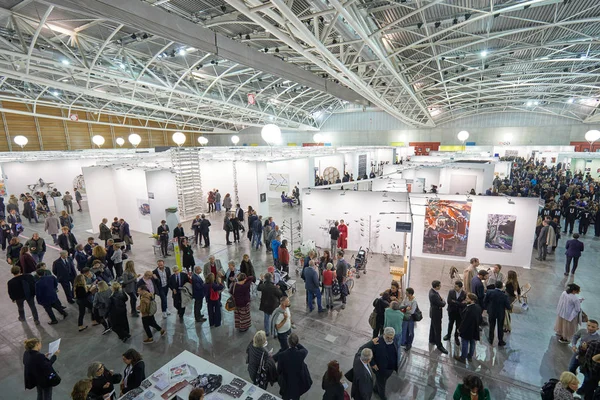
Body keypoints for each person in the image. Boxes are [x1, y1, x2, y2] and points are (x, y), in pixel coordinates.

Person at [273, 333, 312, 400]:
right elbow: (305, 350)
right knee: (296, 397)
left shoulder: (282, 355)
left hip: (286, 381)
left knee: (285, 396)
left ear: (288, 343)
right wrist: (297, 343)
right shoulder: (301, 354)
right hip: (297, 381)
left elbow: (279, 371)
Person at [368, 327, 398, 400]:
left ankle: (375, 388)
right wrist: (373, 363)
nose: (390, 339)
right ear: (384, 334)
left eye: (391, 338)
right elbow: (370, 353)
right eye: (388, 337)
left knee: (381, 381)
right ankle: (382, 396)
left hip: (389, 368)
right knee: (382, 384)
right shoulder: (377, 341)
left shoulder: (394, 340)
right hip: (380, 369)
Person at [454, 293, 483, 363]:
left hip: (467, 330)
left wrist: (459, 329)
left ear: (472, 300)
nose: (466, 299)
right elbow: (480, 319)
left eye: (468, 298)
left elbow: (465, 321)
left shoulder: (469, 309)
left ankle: (463, 358)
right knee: (472, 343)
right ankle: (470, 356)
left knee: (465, 343)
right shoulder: (478, 307)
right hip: (475, 329)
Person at [484, 281, 512, 346]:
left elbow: (485, 301)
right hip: (500, 313)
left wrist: (488, 308)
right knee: (500, 327)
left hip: (491, 312)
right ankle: (500, 341)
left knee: (491, 326)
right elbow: (508, 306)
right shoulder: (504, 296)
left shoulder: (489, 292)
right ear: (502, 286)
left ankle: (491, 339)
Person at [258, 272, 282, 337]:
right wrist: (278, 288)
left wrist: (261, 280)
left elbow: (258, 288)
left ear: (265, 278)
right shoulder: (274, 287)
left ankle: (267, 332)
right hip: (273, 305)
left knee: (266, 319)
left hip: (265, 305)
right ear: (271, 278)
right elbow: (280, 294)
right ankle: (275, 333)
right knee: (274, 319)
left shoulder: (263, 285)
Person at [429, 280, 448, 354]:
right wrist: (443, 301)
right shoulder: (433, 295)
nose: (440, 286)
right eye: (440, 285)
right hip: (436, 314)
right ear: (436, 286)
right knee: (438, 329)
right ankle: (439, 345)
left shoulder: (432, 291)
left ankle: (432, 339)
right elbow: (442, 304)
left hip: (433, 312)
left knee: (433, 327)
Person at [444, 281, 466, 346]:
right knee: (450, 323)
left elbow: (464, 305)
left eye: (456, 287)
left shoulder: (464, 294)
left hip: (459, 313)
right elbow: (449, 301)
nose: (454, 287)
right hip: (451, 311)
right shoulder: (451, 292)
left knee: (458, 325)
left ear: (460, 287)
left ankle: (456, 337)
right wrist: (459, 303)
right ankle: (448, 335)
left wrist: (455, 302)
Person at [384, 301, 404, 365]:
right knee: (397, 347)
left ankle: (387, 359)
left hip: (388, 332)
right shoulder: (401, 314)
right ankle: (397, 361)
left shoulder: (387, 311)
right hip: (397, 332)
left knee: (387, 346)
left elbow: (385, 319)